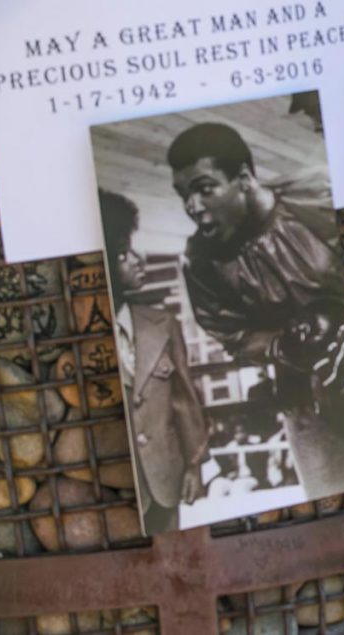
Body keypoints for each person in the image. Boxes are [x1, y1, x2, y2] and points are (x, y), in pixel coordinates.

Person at [167, 122, 344, 499]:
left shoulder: (320, 197)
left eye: (204, 189)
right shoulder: (201, 263)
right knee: (332, 510)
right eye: (184, 195)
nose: (192, 207)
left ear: (244, 179)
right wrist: (282, 346)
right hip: (302, 403)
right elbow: (231, 333)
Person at [99, 189, 209, 534]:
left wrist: (194, 465)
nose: (137, 259)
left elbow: (186, 399)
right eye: (121, 254)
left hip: (165, 485)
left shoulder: (163, 324)